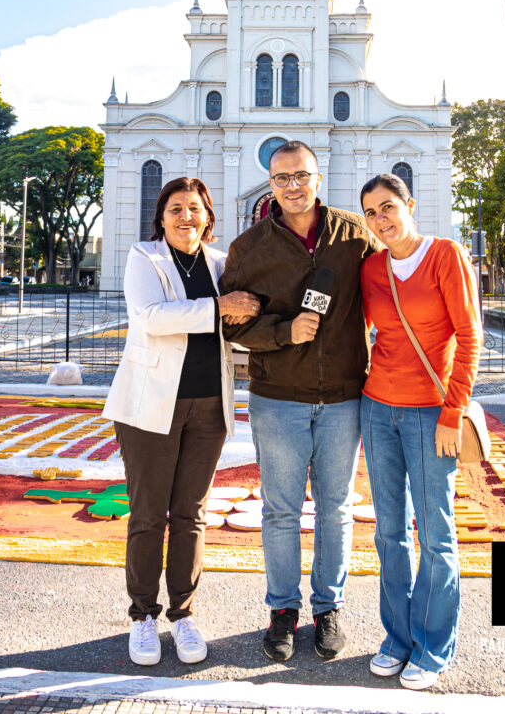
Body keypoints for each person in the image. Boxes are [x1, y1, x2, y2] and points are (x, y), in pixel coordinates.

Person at [219, 141, 378, 662]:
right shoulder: (248, 248)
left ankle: (328, 607)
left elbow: (390, 286)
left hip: (343, 398)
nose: (292, 185)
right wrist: (286, 331)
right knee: (281, 511)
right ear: (270, 184)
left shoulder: (355, 235)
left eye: (301, 175)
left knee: (335, 510)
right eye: (282, 177)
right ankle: (283, 610)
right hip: (278, 398)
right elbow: (230, 323)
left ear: (317, 177)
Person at [102, 177, 260, 667]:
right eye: (176, 208)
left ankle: (184, 613)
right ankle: (143, 616)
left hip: (209, 405)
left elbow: (242, 322)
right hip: (152, 407)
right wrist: (219, 308)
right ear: (161, 217)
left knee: (191, 515)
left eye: (194, 208)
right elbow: (151, 317)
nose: (185, 216)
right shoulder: (142, 257)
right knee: (149, 513)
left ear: (208, 216)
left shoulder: (221, 264)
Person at [359, 173, 482, 691]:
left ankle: (433, 646)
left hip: (433, 413)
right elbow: (358, 329)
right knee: (389, 533)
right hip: (376, 408)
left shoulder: (445, 254)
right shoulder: (370, 268)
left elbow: (470, 335)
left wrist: (453, 412)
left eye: (388, 207)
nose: (381, 220)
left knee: (435, 534)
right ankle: (399, 638)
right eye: (370, 213)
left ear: (409, 204)